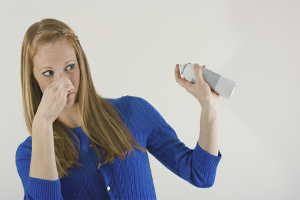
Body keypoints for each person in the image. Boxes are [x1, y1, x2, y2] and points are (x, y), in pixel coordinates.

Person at [15, 18, 222, 200]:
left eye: (70, 67)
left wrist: (209, 107)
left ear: (81, 65)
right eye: (48, 72)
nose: (64, 82)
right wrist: (42, 123)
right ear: (33, 80)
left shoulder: (133, 112)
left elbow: (201, 174)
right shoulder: (30, 153)